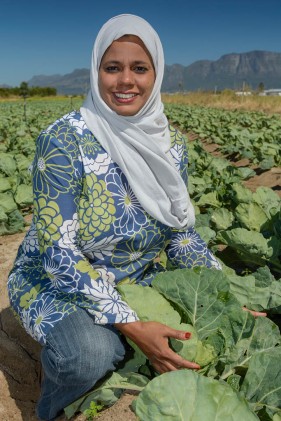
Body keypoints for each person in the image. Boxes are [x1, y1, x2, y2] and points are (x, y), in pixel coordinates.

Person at [7, 14, 229, 421]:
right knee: (90, 356)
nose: (126, 80)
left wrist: (227, 295)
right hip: (55, 280)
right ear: (96, 72)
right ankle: (53, 404)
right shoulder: (62, 140)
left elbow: (180, 235)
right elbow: (58, 252)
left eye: (139, 68)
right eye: (113, 68)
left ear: (156, 74)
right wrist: (130, 323)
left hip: (135, 280)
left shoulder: (172, 145)